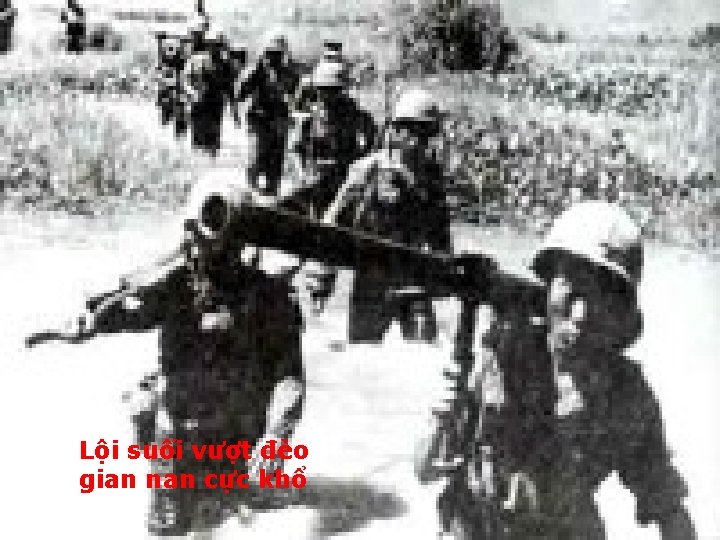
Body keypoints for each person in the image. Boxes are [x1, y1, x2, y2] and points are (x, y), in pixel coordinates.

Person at [28, 170, 307, 537]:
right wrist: (87, 324)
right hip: (180, 422)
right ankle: (175, 478)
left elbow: (290, 376)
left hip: (238, 427)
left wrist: (275, 440)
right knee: (167, 516)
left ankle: (233, 479)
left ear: (241, 242)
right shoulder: (175, 286)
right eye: (196, 235)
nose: (205, 251)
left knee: (233, 503)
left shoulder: (268, 296)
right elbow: (127, 311)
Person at [433, 200, 696, 539]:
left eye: (600, 298)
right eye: (573, 290)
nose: (582, 314)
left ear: (618, 311)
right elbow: (426, 469)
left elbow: (668, 505)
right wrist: (445, 418)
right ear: (547, 286)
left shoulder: (625, 393)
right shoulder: (502, 356)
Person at [311, 88, 452, 343]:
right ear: (396, 131)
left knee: (423, 352)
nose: (420, 141)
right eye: (414, 132)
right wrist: (322, 278)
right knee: (363, 350)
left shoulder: (431, 179)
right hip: (372, 277)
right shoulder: (368, 170)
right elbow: (333, 224)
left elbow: (440, 231)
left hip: (414, 278)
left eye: (427, 133)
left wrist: (445, 272)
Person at [285, 59, 377, 218]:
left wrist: (359, 163)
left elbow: (372, 140)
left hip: (345, 179)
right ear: (317, 89)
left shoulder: (354, 114)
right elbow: (295, 148)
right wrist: (303, 173)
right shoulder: (310, 117)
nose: (328, 95)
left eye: (334, 90)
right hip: (316, 178)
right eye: (324, 89)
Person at [233, 31, 301, 195]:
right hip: (258, 119)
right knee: (256, 157)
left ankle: (271, 193)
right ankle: (251, 191)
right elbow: (239, 93)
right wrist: (238, 113)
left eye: (277, 54)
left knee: (275, 161)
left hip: (278, 121)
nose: (273, 58)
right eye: (271, 53)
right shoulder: (256, 71)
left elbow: (295, 96)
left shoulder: (289, 73)